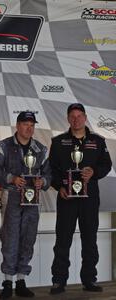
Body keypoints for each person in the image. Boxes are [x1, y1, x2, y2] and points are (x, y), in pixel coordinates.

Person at [49, 103, 112, 294]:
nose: (76, 120)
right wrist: (59, 187)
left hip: (89, 199)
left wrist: (93, 172)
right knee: (62, 240)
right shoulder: (58, 142)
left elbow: (106, 164)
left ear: (85, 117)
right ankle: (59, 281)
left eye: (79, 116)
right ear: (68, 119)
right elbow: (50, 170)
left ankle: (89, 280)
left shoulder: (98, 141)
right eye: (72, 116)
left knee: (90, 240)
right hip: (67, 198)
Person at [0, 111, 51, 299]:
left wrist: (43, 181)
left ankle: (21, 280)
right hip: (12, 196)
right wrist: (12, 178)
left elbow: (49, 174)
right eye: (25, 124)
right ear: (17, 126)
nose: (29, 128)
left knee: (28, 238)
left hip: (33, 199)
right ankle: (7, 281)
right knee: (10, 238)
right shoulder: (3, 146)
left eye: (32, 125)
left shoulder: (41, 149)